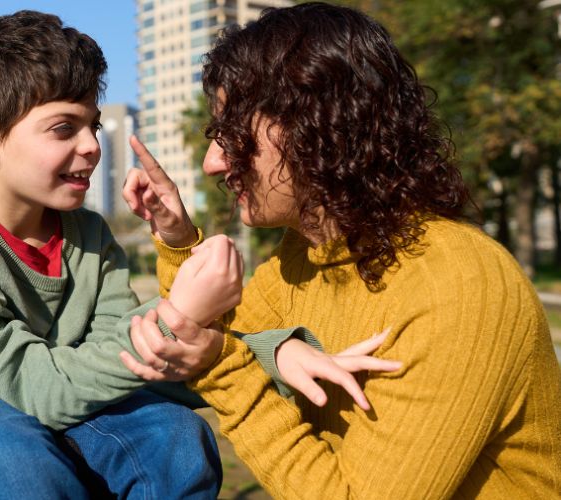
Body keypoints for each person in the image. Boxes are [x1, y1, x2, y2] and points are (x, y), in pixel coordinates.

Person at [0, 10, 376, 499]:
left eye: (94, 126)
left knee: (174, 440)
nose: (92, 147)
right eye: (64, 128)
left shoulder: (87, 234)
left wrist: (270, 353)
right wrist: (180, 316)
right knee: (16, 463)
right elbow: (36, 387)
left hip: (53, 376)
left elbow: (125, 354)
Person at [121, 3, 561, 498]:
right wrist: (178, 241)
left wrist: (222, 368)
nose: (212, 163)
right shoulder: (301, 260)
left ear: (313, 123)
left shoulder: (459, 283)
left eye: (232, 134)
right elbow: (197, 333)